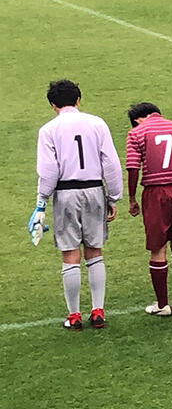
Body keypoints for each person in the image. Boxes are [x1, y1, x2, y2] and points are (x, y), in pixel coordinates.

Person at [30, 80, 123, 331]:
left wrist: (41, 203)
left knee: (70, 253)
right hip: (94, 190)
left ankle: (74, 316)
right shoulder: (97, 123)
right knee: (95, 249)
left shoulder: (49, 130)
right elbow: (111, 163)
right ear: (78, 99)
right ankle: (98, 310)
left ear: (52, 104)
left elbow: (48, 171)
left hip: (66, 193)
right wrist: (113, 197)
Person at [125, 102, 172, 317]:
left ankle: (162, 304)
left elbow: (132, 167)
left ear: (139, 119)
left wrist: (132, 197)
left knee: (157, 247)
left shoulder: (136, 133)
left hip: (155, 192)